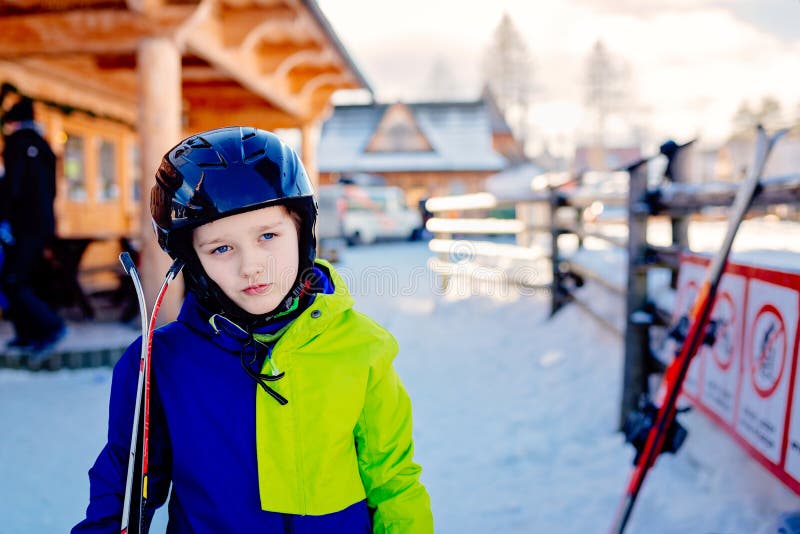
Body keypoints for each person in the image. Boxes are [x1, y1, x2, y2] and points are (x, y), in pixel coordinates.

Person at [73, 127, 433, 533]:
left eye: (268, 236)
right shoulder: (161, 363)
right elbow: (125, 486)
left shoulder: (361, 347)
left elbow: (393, 481)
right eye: (221, 248)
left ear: (301, 232)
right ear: (191, 260)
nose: (251, 265)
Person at [0, 97, 66, 357]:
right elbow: (50, 190)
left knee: (13, 279)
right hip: (43, 225)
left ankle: (50, 326)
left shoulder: (17, 146)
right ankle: (28, 334)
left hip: (22, 225)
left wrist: (3, 216)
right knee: (27, 278)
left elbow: (12, 188)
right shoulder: (45, 147)